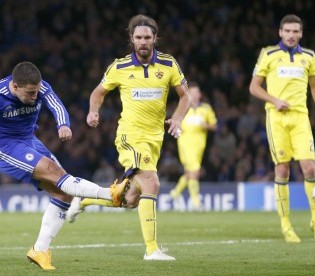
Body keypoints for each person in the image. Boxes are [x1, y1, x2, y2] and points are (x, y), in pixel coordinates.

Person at [0, 61, 129, 270]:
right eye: (30, 93)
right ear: (15, 86)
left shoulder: (40, 87)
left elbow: (56, 104)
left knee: (64, 193)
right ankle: (110, 194)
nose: (35, 96)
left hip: (30, 141)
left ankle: (39, 250)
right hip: (7, 147)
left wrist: (63, 124)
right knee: (55, 172)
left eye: (36, 91)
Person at [67, 14, 191, 261]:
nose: (143, 42)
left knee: (131, 199)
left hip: (155, 139)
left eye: (147, 37)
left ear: (155, 38)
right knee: (152, 183)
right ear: (131, 40)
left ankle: (85, 200)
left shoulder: (168, 64)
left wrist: (177, 119)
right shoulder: (120, 67)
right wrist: (93, 111)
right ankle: (152, 249)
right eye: (138, 37)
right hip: (130, 136)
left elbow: (185, 96)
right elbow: (98, 92)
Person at [249, 14, 315, 243]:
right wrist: (274, 100)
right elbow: (254, 87)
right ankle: (286, 226)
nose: (292, 35)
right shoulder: (269, 54)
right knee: (282, 170)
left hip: (301, 117)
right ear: (280, 33)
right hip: (276, 118)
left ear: (301, 33)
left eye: (296, 31)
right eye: (288, 31)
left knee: (310, 168)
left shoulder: (309, 56)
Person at [169, 82, 217, 210]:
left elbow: (214, 125)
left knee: (190, 173)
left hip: (199, 147)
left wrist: (205, 126)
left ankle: (175, 193)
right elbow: (174, 121)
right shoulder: (183, 107)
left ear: (200, 94)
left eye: (197, 92)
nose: (195, 95)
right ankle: (196, 203)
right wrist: (177, 127)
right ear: (188, 94)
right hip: (185, 145)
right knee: (195, 172)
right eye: (192, 92)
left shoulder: (206, 109)